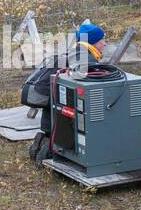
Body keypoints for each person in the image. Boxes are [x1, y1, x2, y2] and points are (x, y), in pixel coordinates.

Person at [27, 20, 108, 164]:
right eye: (103, 40)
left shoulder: (74, 51)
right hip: (55, 96)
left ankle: (44, 138)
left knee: (55, 109)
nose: (105, 44)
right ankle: (52, 149)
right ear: (94, 42)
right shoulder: (87, 59)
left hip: (45, 93)